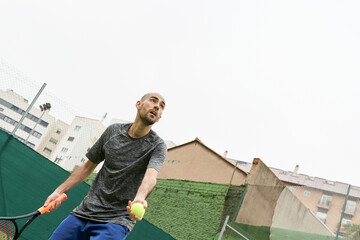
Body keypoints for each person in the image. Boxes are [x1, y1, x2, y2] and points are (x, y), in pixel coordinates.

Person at [44, 93, 167, 240]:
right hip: (84, 212)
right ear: (138, 104)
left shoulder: (158, 146)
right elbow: (87, 167)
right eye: (153, 101)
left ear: (159, 117)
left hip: (117, 221)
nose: (157, 106)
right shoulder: (113, 132)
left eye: (161, 106)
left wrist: (140, 198)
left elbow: (151, 177)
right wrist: (58, 191)